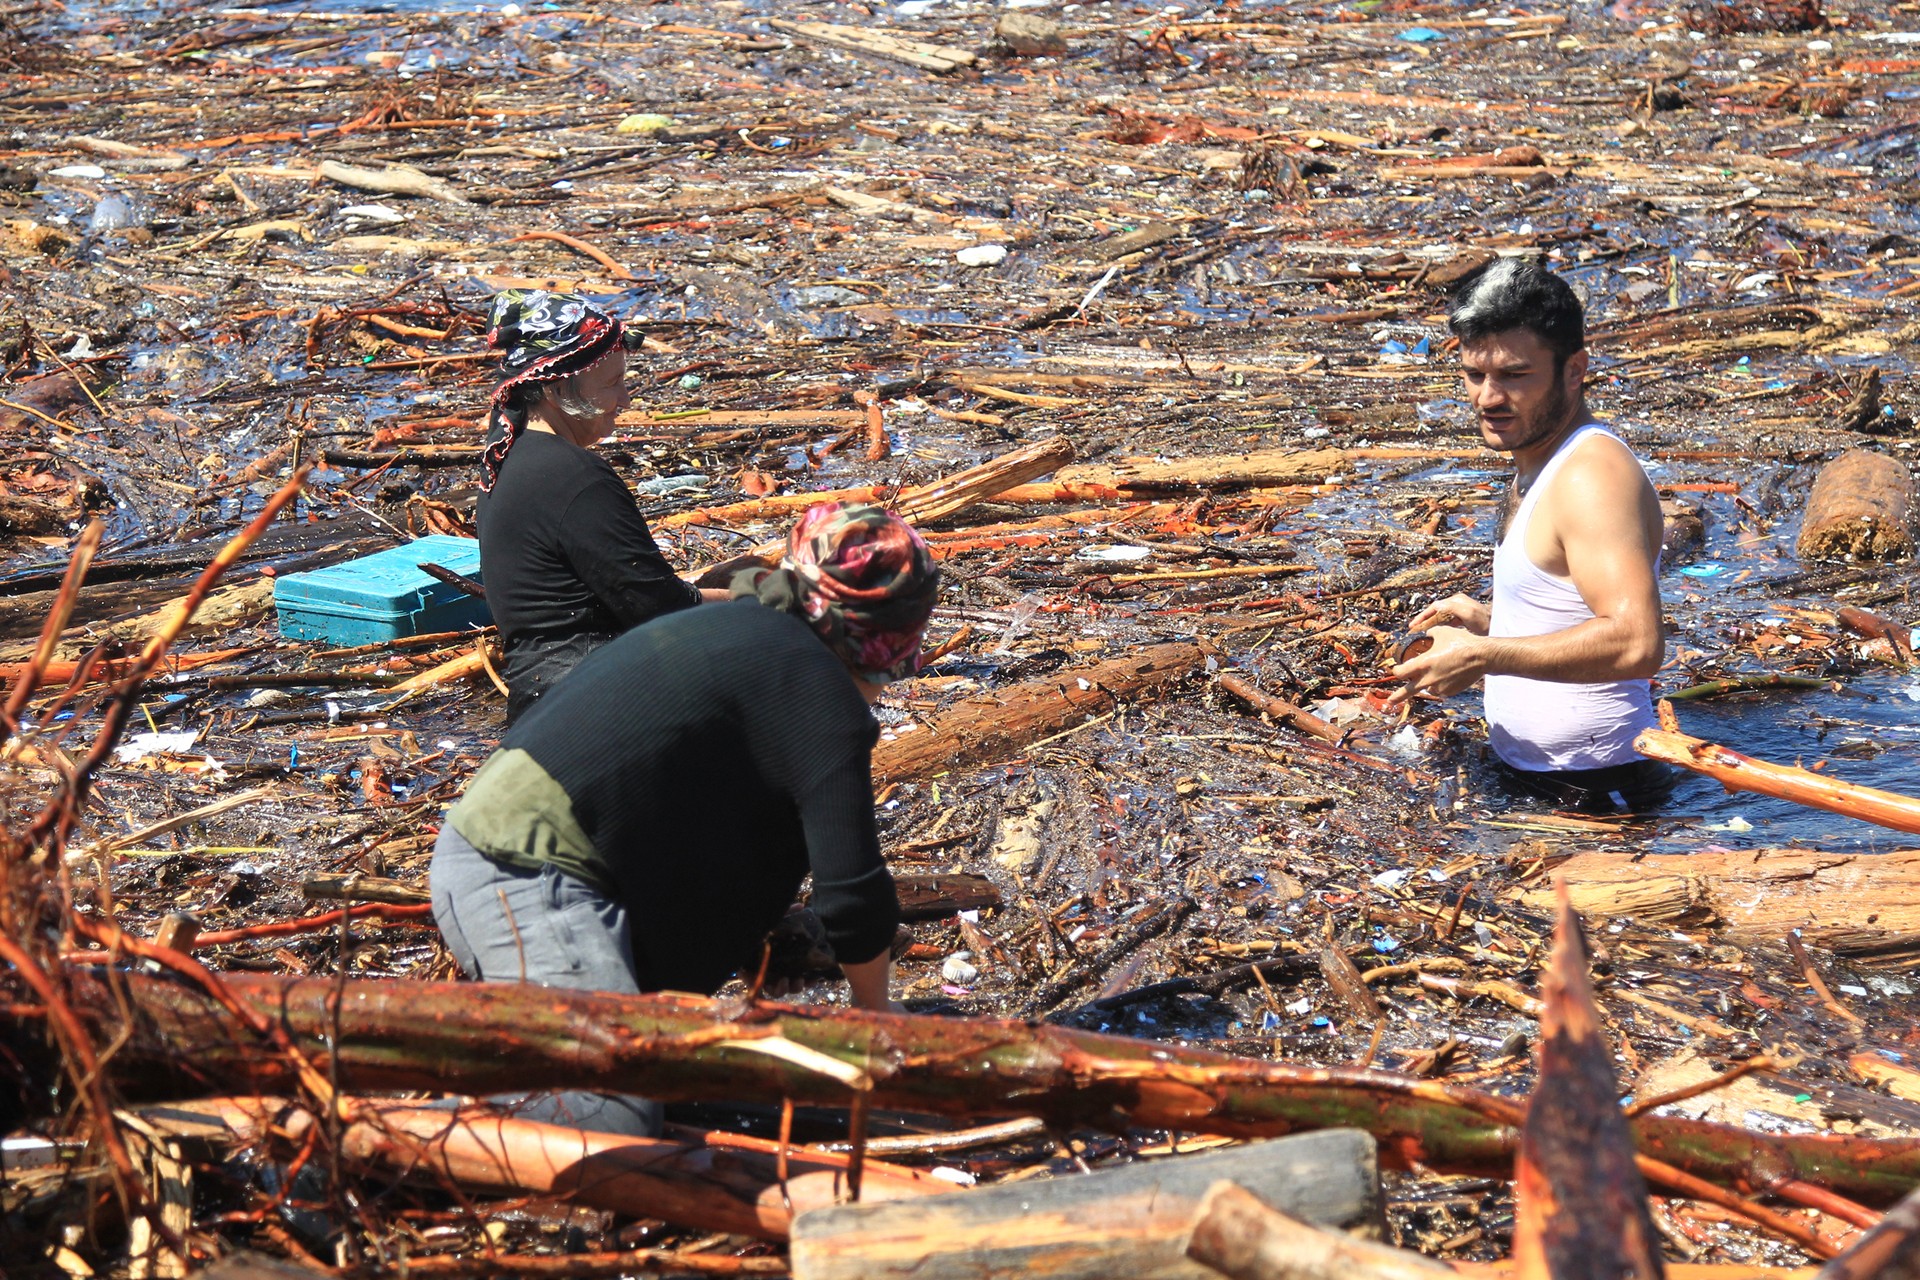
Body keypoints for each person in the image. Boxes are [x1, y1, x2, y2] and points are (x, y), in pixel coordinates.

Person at [430, 501, 940, 1136]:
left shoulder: (748, 629)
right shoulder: (817, 690)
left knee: (662, 1077)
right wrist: (879, 1037)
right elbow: (854, 896)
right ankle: (355, 1139)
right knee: (595, 1113)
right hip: (522, 867)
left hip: (539, 856)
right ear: (888, 638)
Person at [1389, 258, 1674, 811]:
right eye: (1475, 375)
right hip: (1541, 783)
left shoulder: (1591, 475)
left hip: (1600, 793)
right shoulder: (1537, 461)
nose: (1488, 398)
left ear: (1574, 370)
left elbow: (1636, 643)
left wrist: (1484, 654)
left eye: (1515, 376)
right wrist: (1498, 624)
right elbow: (1577, 619)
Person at [475, 290, 723, 723]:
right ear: (554, 386)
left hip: (539, 704)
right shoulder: (574, 477)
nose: (624, 399)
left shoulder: (511, 456)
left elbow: (613, 588)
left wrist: (708, 587)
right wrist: (758, 600)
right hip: (598, 705)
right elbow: (661, 611)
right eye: (612, 384)